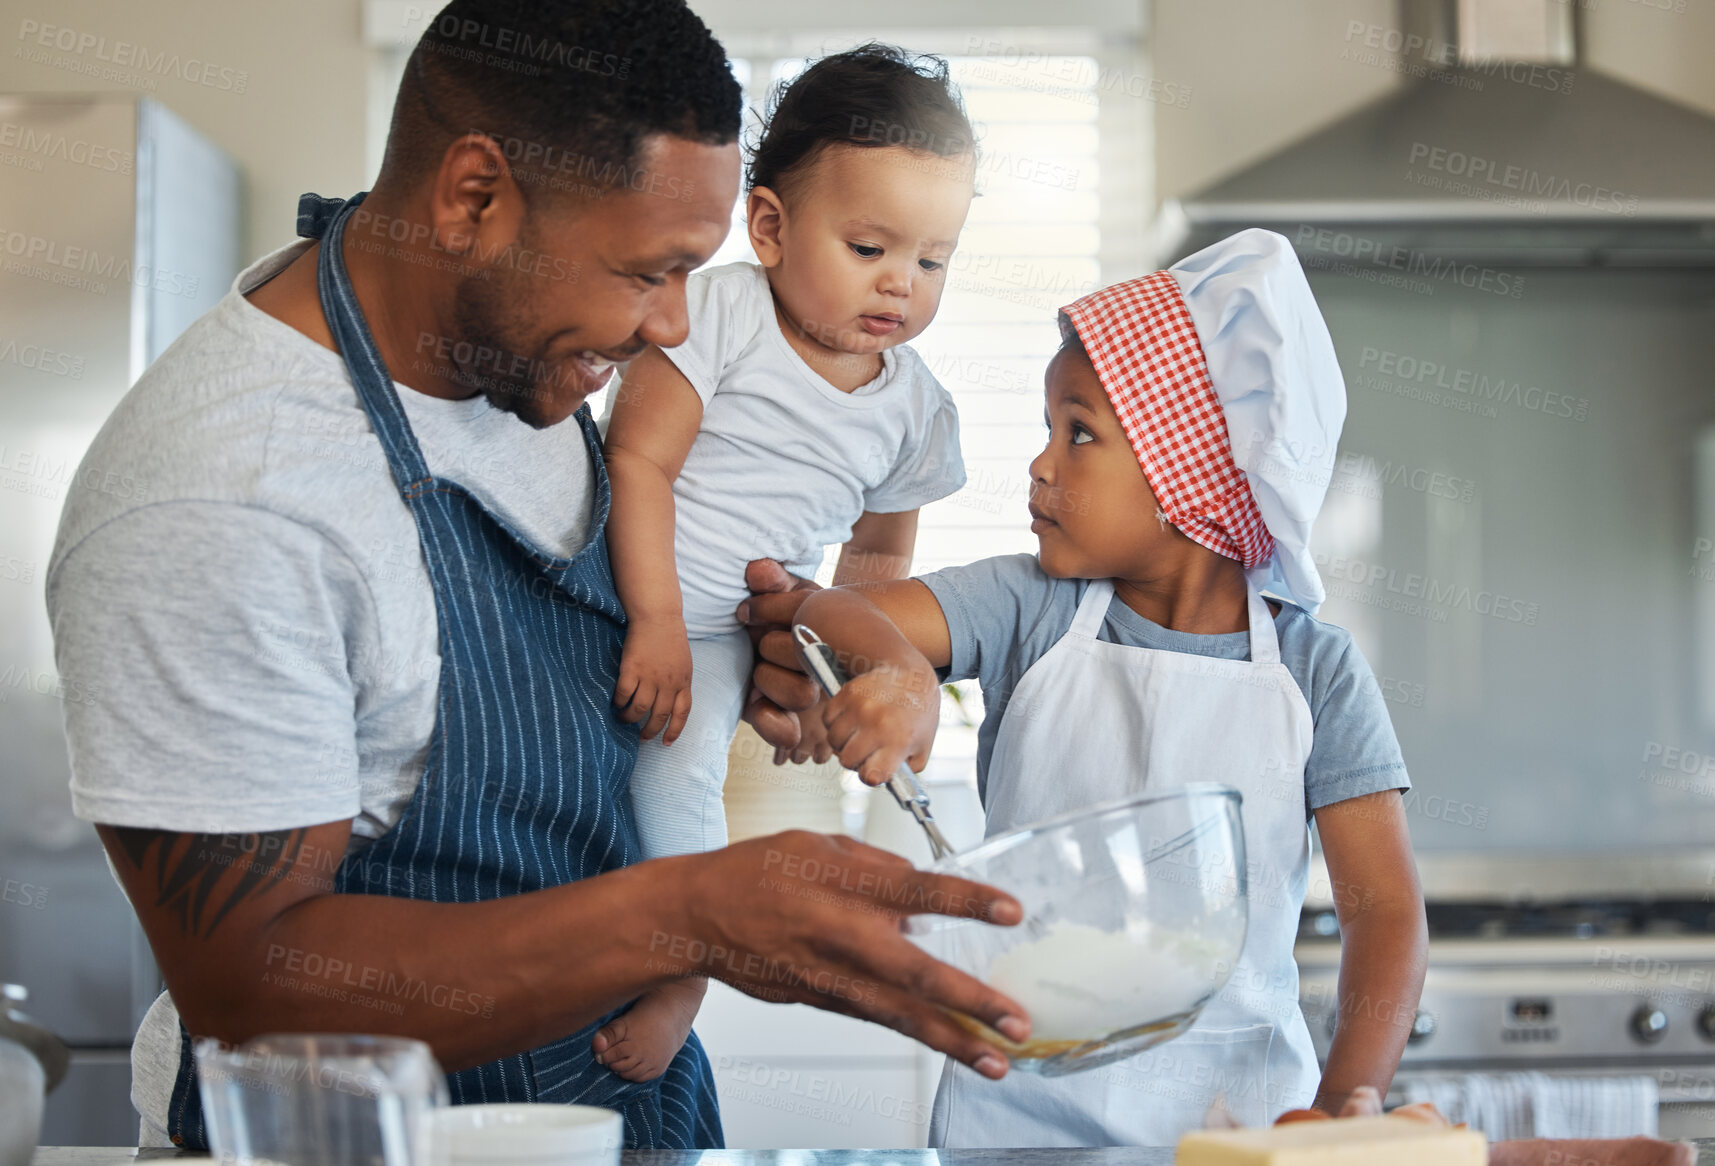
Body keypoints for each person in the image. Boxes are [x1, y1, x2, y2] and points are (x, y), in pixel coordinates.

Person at [45, 0, 1032, 1149]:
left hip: (619, 1107)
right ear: (473, 198)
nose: (672, 325)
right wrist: (692, 917)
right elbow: (255, 990)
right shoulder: (224, 496)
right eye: (646, 272)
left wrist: (772, 660)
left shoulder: (520, 355)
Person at [741, 229, 1430, 1146]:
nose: (1039, 464)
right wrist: (896, 671)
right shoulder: (1026, 604)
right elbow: (806, 609)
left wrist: (1346, 1108)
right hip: (1015, 1117)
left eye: (1079, 433)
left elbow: (1382, 914)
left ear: (1192, 473)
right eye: (1046, 429)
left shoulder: (1314, 670)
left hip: (1243, 1132)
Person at [589, 44, 976, 1082]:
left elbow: (880, 553)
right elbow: (637, 458)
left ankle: (681, 978)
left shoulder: (915, 408)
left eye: (933, 259)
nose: (901, 280)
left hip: (733, 632)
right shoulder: (717, 316)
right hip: (617, 591)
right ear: (768, 227)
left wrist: (826, 670)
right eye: (866, 246)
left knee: (677, 781)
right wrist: (655, 618)